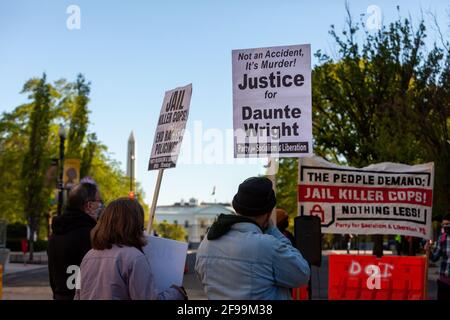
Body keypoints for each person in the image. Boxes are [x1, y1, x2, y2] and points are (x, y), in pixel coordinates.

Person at [195, 177, 310, 300]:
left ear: (236, 208)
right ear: (268, 214)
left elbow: (201, 276)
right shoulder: (268, 246)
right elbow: (302, 274)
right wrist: (272, 229)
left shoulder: (207, 242)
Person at [75, 197, 187, 300]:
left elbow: (78, 296)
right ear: (134, 224)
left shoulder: (88, 256)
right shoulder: (134, 258)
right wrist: (176, 293)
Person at [47, 182, 102, 300]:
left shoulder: (55, 234)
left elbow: (53, 278)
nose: (100, 205)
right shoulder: (93, 235)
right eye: (99, 201)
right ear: (89, 205)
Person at [428, 213, 450, 300]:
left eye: (447, 224)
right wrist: (428, 250)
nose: (445, 226)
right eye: (443, 224)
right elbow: (434, 258)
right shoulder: (442, 238)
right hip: (444, 281)